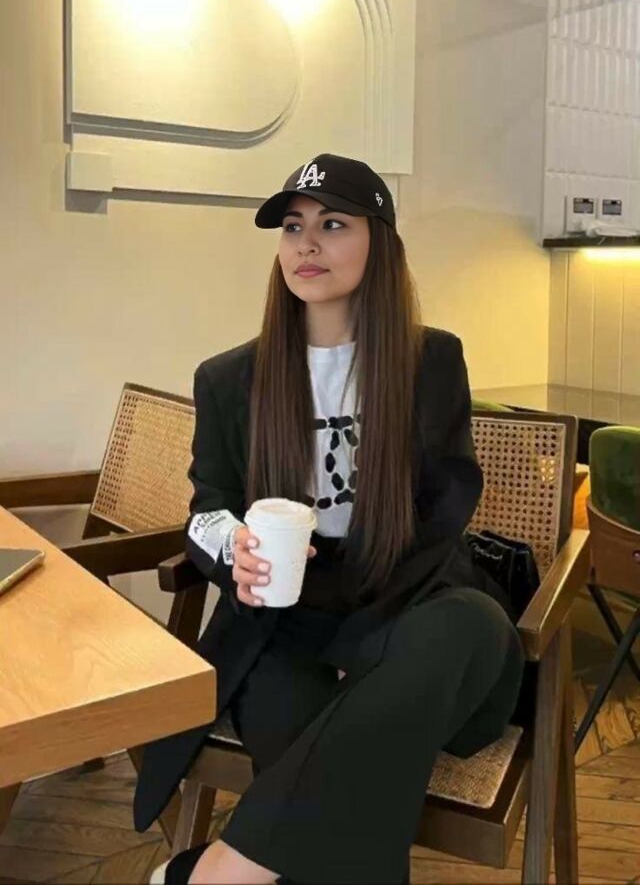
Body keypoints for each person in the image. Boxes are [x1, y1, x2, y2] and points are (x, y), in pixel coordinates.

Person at [134, 153, 524, 885]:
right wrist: (236, 550)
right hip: (288, 623)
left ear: (380, 243)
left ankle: (214, 871)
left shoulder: (432, 360)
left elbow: (446, 506)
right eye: (293, 227)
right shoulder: (229, 379)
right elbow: (208, 509)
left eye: (334, 224)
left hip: (415, 609)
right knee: (319, 753)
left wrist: (368, 637)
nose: (306, 243)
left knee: (469, 620)